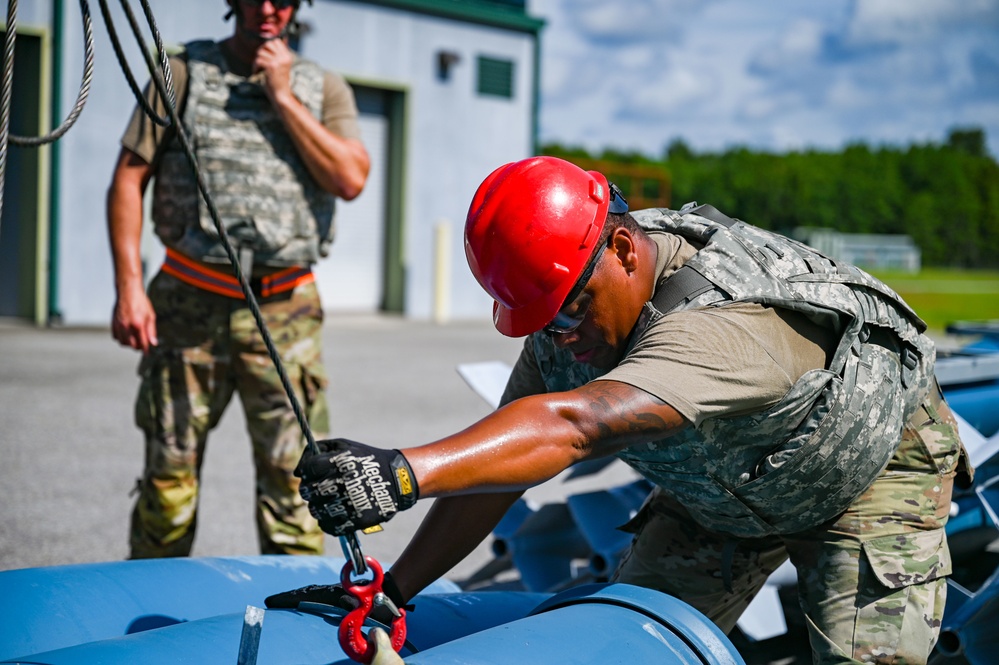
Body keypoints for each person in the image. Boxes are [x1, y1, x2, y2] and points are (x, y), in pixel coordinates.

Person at [288, 156, 972, 664]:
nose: (561, 337)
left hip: (864, 472)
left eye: (569, 311)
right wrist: (396, 591)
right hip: (723, 489)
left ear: (621, 249)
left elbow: (579, 423)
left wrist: (402, 472)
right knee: (621, 648)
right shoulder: (571, 316)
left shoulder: (724, 320)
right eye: (541, 322)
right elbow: (504, 466)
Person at [107, 0, 370, 558]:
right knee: (167, 487)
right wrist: (129, 287)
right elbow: (128, 181)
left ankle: (295, 633)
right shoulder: (179, 74)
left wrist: (283, 96)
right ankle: (152, 638)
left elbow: (350, 177)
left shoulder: (324, 88)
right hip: (187, 307)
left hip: (284, 315)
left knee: (296, 492)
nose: (267, 9)